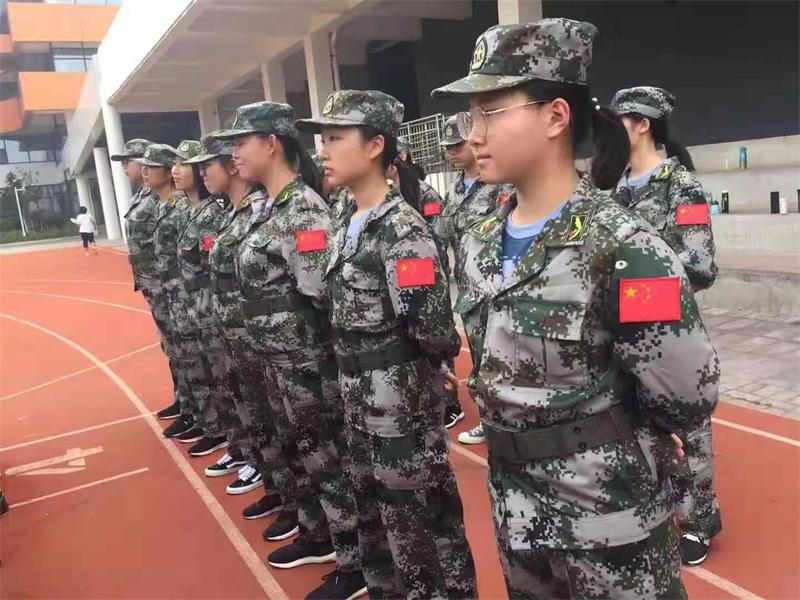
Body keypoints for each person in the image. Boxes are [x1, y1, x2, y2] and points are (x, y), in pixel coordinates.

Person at [432, 18, 719, 598]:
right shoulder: (481, 240)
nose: (474, 134)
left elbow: (687, 395)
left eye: (490, 112)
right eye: (470, 116)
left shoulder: (625, 248)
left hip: (609, 523)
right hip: (516, 511)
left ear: (555, 116)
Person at [298, 89, 476, 600]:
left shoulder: (403, 231)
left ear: (376, 145)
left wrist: (428, 371)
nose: (323, 151)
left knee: (421, 525)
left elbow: (433, 328)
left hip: (399, 402)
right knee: (373, 516)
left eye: (336, 138)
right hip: (356, 395)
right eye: (323, 139)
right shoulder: (344, 219)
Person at [214, 101, 366, 599]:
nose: (234, 154)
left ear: (271, 143)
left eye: (241, 143)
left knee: (328, 459)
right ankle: (319, 532)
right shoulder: (270, 207)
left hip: (306, 362)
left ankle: (355, 561)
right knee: (305, 454)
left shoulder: (303, 211)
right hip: (277, 359)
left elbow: (322, 294)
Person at [610, 85, 721, 565]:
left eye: (620, 120)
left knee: (687, 427)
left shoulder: (682, 185)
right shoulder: (615, 188)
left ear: (642, 124)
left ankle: (698, 519)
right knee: (635, 422)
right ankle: (654, 508)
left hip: (668, 331)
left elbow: (700, 265)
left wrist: (634, 282)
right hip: (622, 333)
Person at [197, 131, 299, 535]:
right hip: (248, 338)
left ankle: (309, 517)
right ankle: (282, 492)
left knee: (295, 435)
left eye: (209, 164)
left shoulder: (283, 209)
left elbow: (310, 289)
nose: (202, 173)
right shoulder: (245, 212)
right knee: (264, 421)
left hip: (281, 345)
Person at [437, 114, 514, 446]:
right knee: (481, 362)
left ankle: (506, 422)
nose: (452, 152)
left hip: (496, 289)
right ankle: (490, 419)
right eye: (447, 147)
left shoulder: (499, 185)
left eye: (457, 145)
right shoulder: (454, 189)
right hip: (468, 292)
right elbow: (442, 234)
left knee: (504, 358)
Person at [118, 139, 189, 425]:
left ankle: (192, 406)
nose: (128, 167)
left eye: (129, 161)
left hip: (167, 283)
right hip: (154, 282)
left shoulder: (166, 200)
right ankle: (184, 400)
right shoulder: (145, 195)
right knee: (171, 345)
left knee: (181, 346)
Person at [136, 143, 203, 443]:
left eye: (181, 164)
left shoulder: (184, 210)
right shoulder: (166, 207)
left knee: (194, 358)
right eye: (173, 164)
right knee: (178, 353)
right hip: (169, 293)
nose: (144, 171)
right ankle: (191, 409)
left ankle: (203, 417)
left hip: (186, 297)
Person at [172, 139, 231, 458]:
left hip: (208, 310)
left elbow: (213, 269)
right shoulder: (189, 211)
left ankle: (223, 433)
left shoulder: (211, 214)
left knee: (220, 377)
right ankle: (212, 425)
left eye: (184, 165)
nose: (175, 170)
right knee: (202, 371)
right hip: (191, 307)